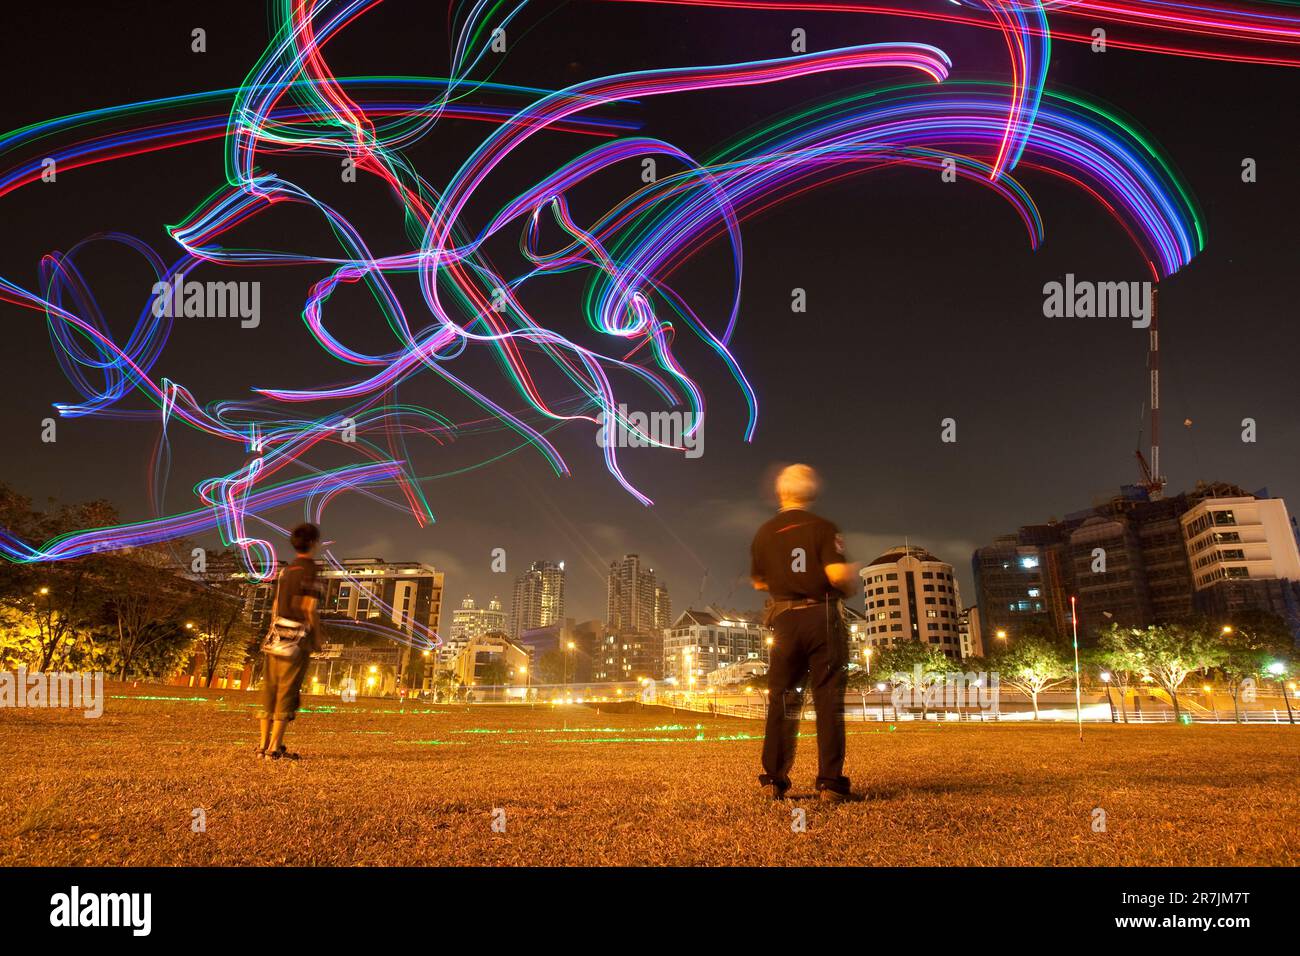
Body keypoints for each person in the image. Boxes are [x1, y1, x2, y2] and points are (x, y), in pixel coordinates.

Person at [750, 464, 861, 802]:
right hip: (821, 616)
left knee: (782, 699)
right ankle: (830, 783)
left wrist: (786, 579)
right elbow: (837, 574)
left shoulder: (764, 533)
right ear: (811, 492)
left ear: (781, 492)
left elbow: (759, 581)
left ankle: (774, 780)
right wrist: (851, 577)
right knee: (827, 699)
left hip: (784, 619)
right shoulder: (823, 528)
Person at [257, 522, 324, 761]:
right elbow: (309, 607)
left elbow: (275, 606)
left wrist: (272, 631)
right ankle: (275, 748)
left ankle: (263, 745)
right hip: (295, 640)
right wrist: (316, 637)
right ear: (314, 544)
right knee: (287, 692)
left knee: (270, 691)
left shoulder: (286, 571)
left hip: (275, 636)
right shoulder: (310, 570)